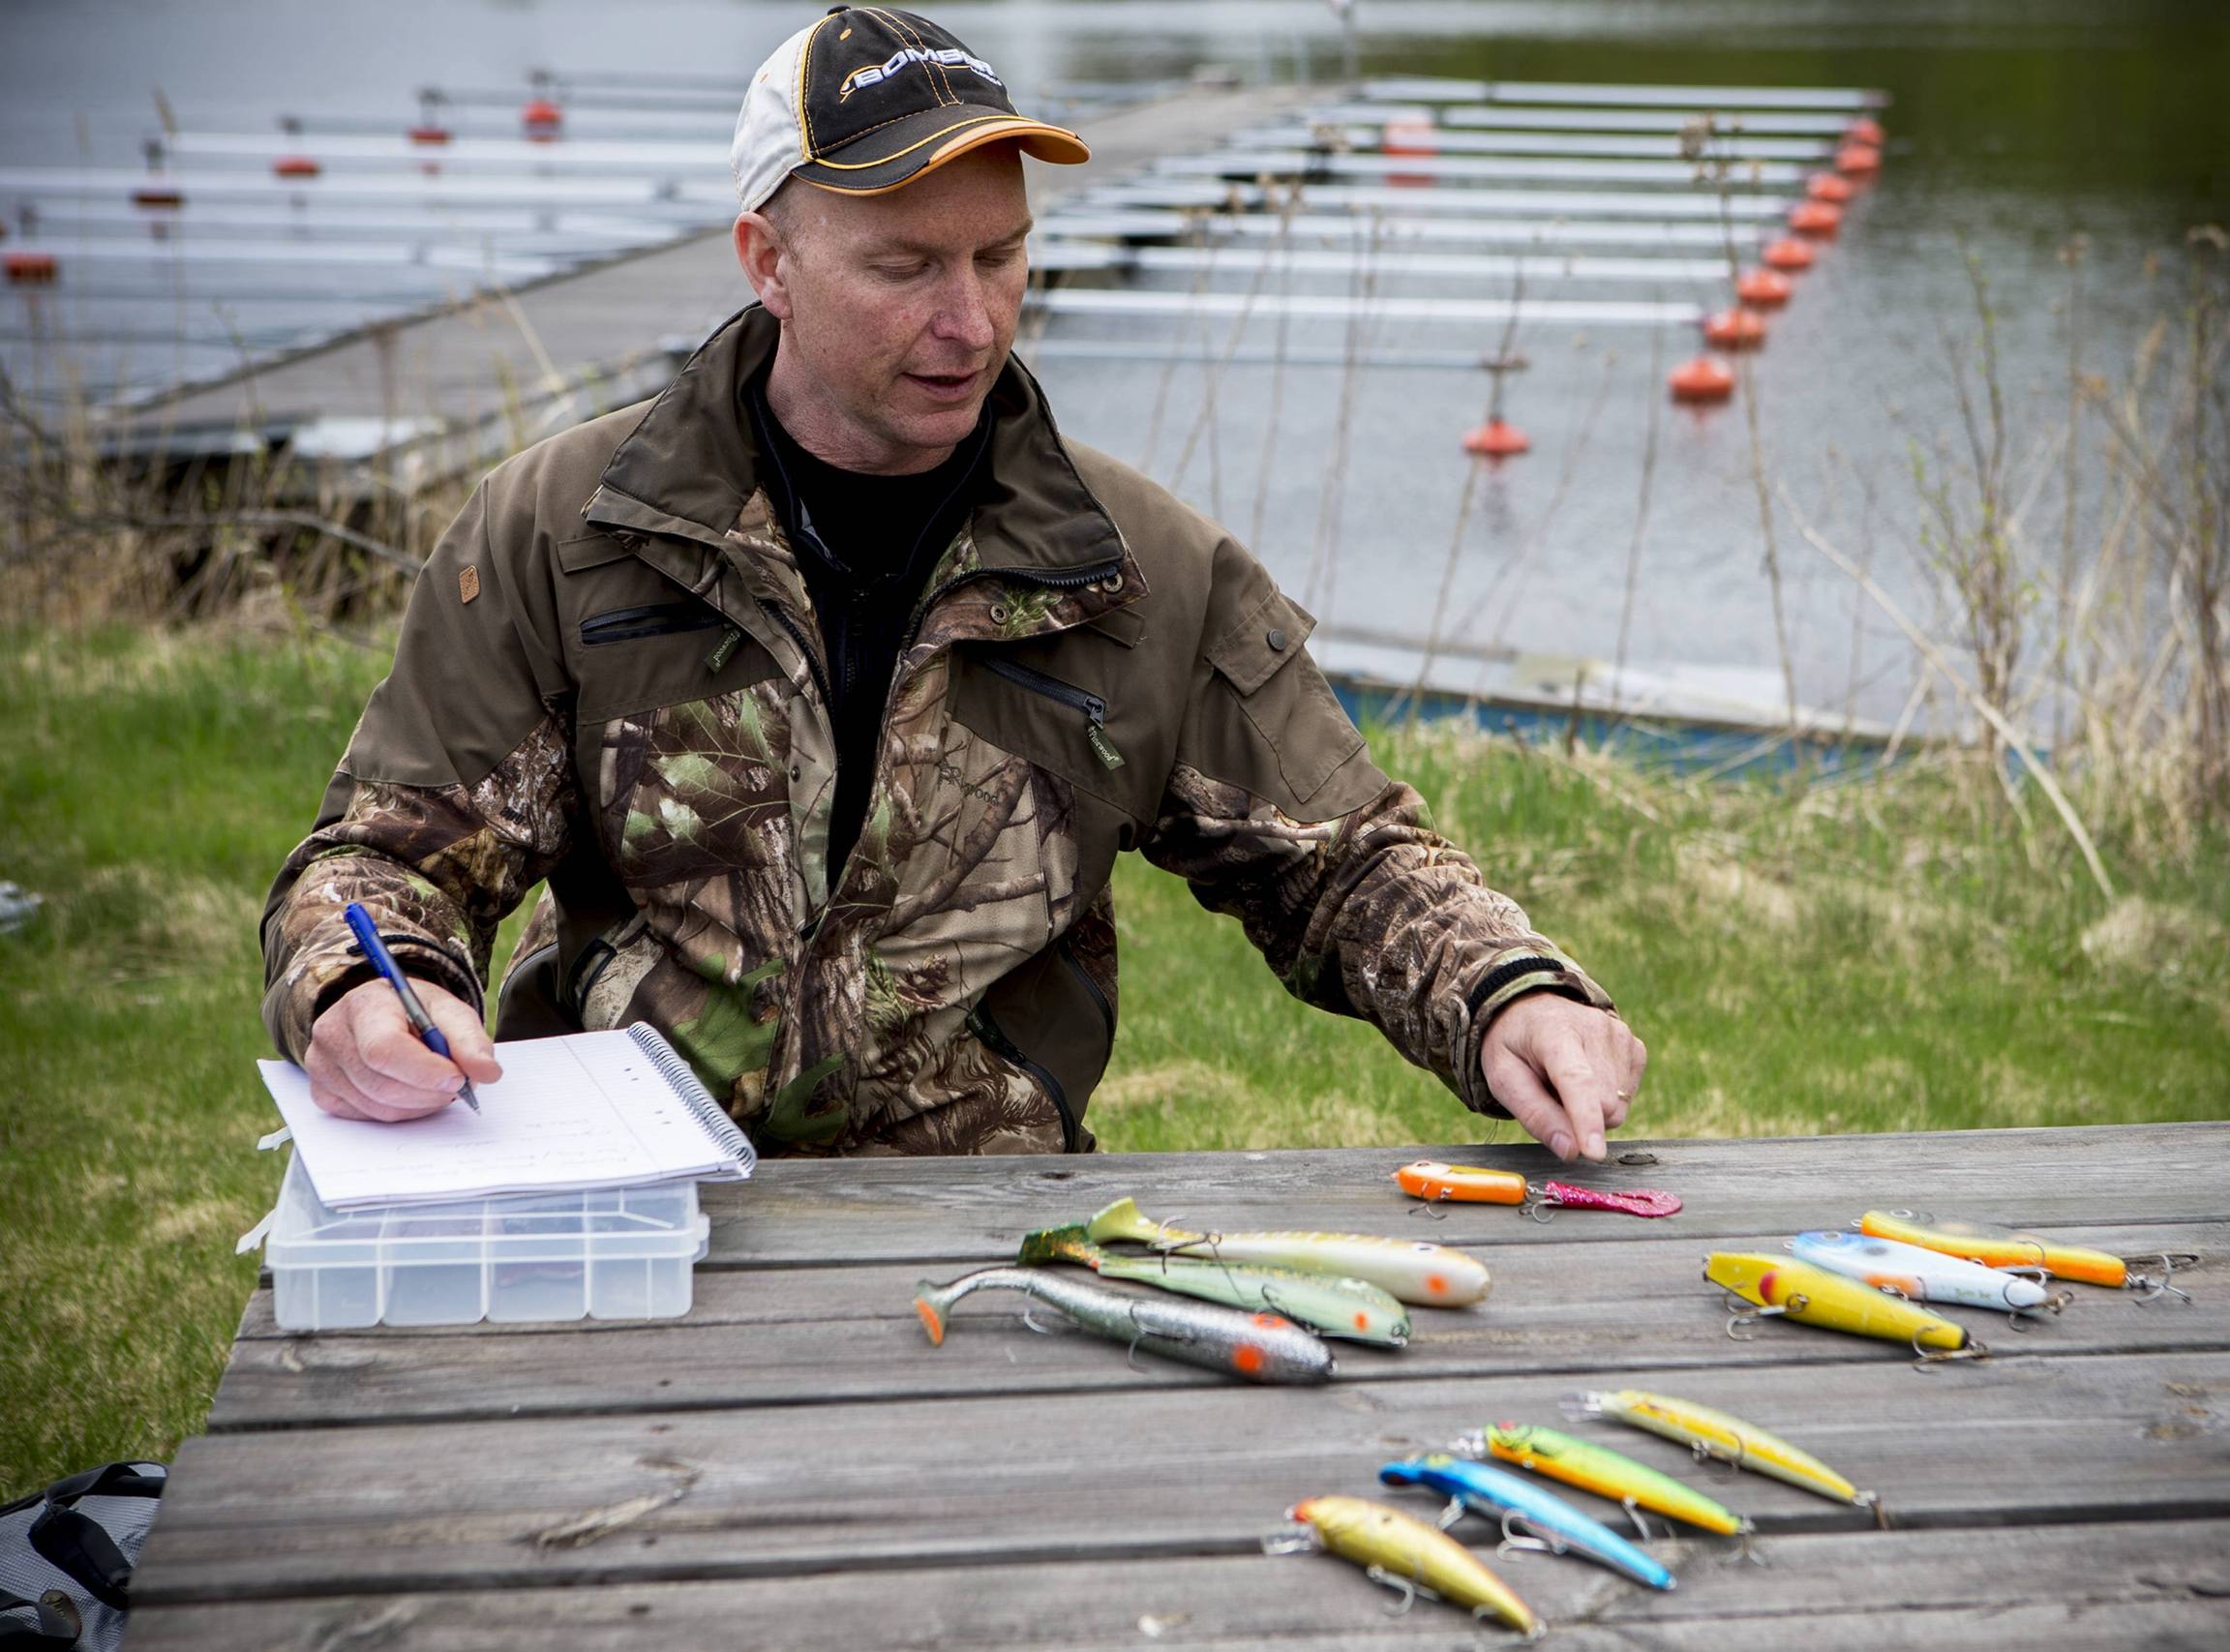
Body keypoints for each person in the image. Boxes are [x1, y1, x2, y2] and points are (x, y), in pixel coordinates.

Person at [260, 6, 1647, 1159]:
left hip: (982, 1228)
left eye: (1000, 256)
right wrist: (367, 986)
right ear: (770, 266)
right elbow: (383, 861)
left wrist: (1507, 995)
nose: (968, 319)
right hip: (627, 1201)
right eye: (905, 265)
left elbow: (1347, 864)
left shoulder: (1141, 567)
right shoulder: (561, 530)